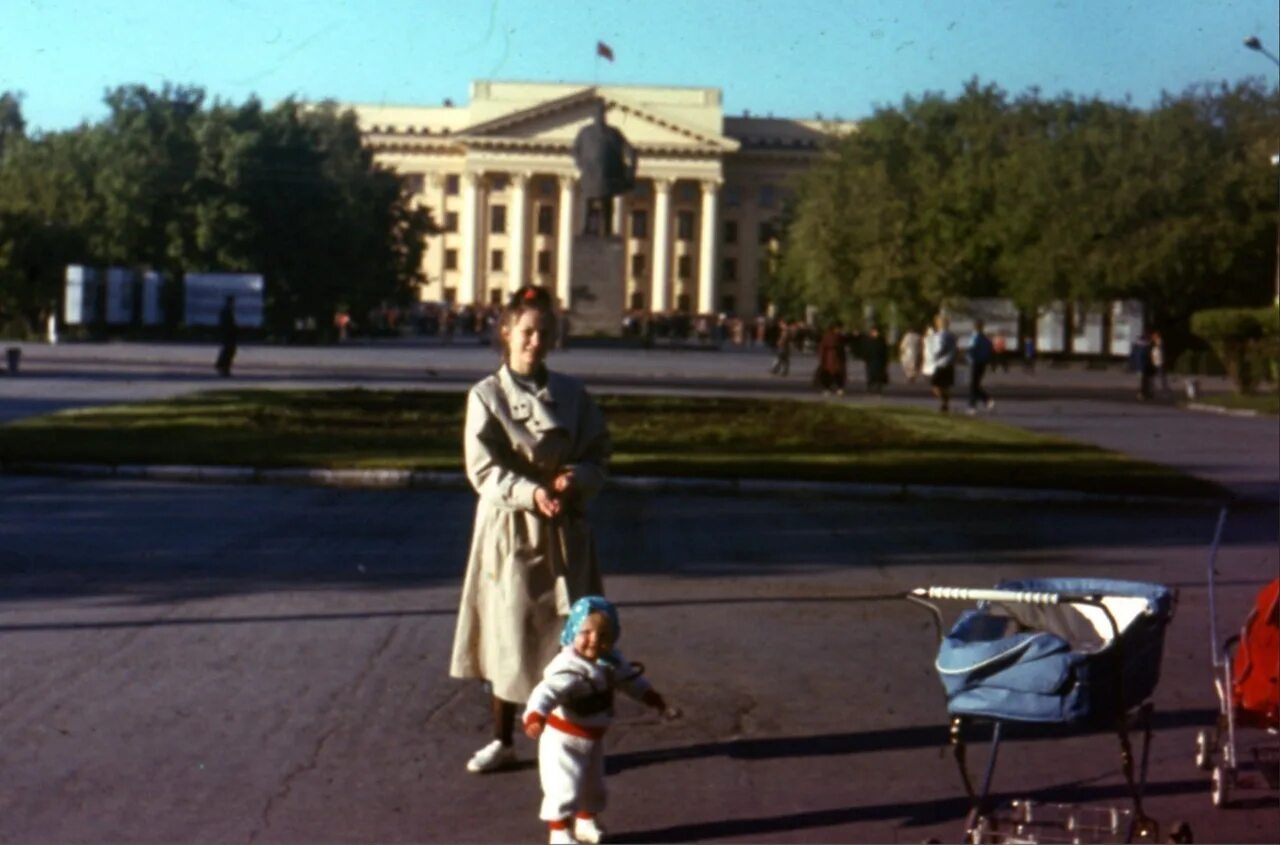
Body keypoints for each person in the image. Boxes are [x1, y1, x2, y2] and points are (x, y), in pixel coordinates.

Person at [451, 285, 612, 775]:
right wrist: (531, 492)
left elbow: (598, 453)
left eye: (545, 333)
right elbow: (483, 470)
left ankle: (569, 742)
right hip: (514, 530)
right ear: (506, 333)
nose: (535, 342)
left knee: (574, 634)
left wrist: (575, 478)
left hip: (565, 528)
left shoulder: (573, 395)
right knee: (511, 634)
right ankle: (503, 739)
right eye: (526, 331)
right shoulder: (488, 396)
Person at [523, 596, 667, 844]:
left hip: (592, 738)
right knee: (562, 786)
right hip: (563, 738)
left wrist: (648, 695)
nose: (594, 640)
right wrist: (536, 714)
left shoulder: (610, 661)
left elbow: (629, 680)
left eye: (603, 634)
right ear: (572, 632)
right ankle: (559, 832)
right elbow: (546, 691)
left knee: (594, 785)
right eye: (586, 632)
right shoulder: (568, 667)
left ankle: (586, 820)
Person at [572, 101, 637, 237]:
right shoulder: (585, 132)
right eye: (597, 113)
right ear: (594, 116)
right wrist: (581, 164)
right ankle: (586, 229)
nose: (600, 116)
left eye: (602, 113)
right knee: (588, 203)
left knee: (608, 204)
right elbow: (575, 150)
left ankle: (607, 230)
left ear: (605, 115)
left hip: (607, 176)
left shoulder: (613, 133)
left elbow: (627, 147)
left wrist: (632, 159)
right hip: (590, 175)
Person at [927, 314, 957, 412]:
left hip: (941, 363)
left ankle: (944, 402)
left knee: (936, 385)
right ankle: (945, 403)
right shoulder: (952, 335)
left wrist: (934, 356)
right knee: (946, 386)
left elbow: (940, 348)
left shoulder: (941, 335)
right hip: (950, 363)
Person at [966, 319, 995, 414]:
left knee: (973, 385)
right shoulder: (986, 339)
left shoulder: (974, 338)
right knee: (976, 384)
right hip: (983, 363)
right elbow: (990, 350)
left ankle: (972, 406)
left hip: (975, 362)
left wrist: (968, 357)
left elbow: (971, 349)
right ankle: (987, 400)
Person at [813, 320, 848, 395]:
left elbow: (842, 348)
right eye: (838, 328)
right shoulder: (827, 336)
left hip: (837, 359)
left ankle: (839, 388)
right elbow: (822, 348)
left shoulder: (840, 337)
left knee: (839, 374)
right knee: (827, 374)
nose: (839, 330)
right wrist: (822, 358)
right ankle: (827, 388)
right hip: (829, 358)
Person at [862, 325, 889, 395]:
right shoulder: (868, 340)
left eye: (877, 332)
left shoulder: (881, 340)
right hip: (871, 361)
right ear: (871, 332)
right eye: (874, 332)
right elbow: (866, 350)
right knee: (870, 375)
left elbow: (884, 351)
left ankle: (879, 389)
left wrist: (885, 360)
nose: (876, 333)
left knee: (880, 376)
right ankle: (869, 388)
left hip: (879, 361)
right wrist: (866, 358)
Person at [215, 295, 237, 377]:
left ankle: (221, 366)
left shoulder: (227, 310)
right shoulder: (227, 310)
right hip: (228, 334)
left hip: (227, 334)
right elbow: (227, 324)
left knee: (227, 351)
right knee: (228, 351)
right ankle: (224, 368)